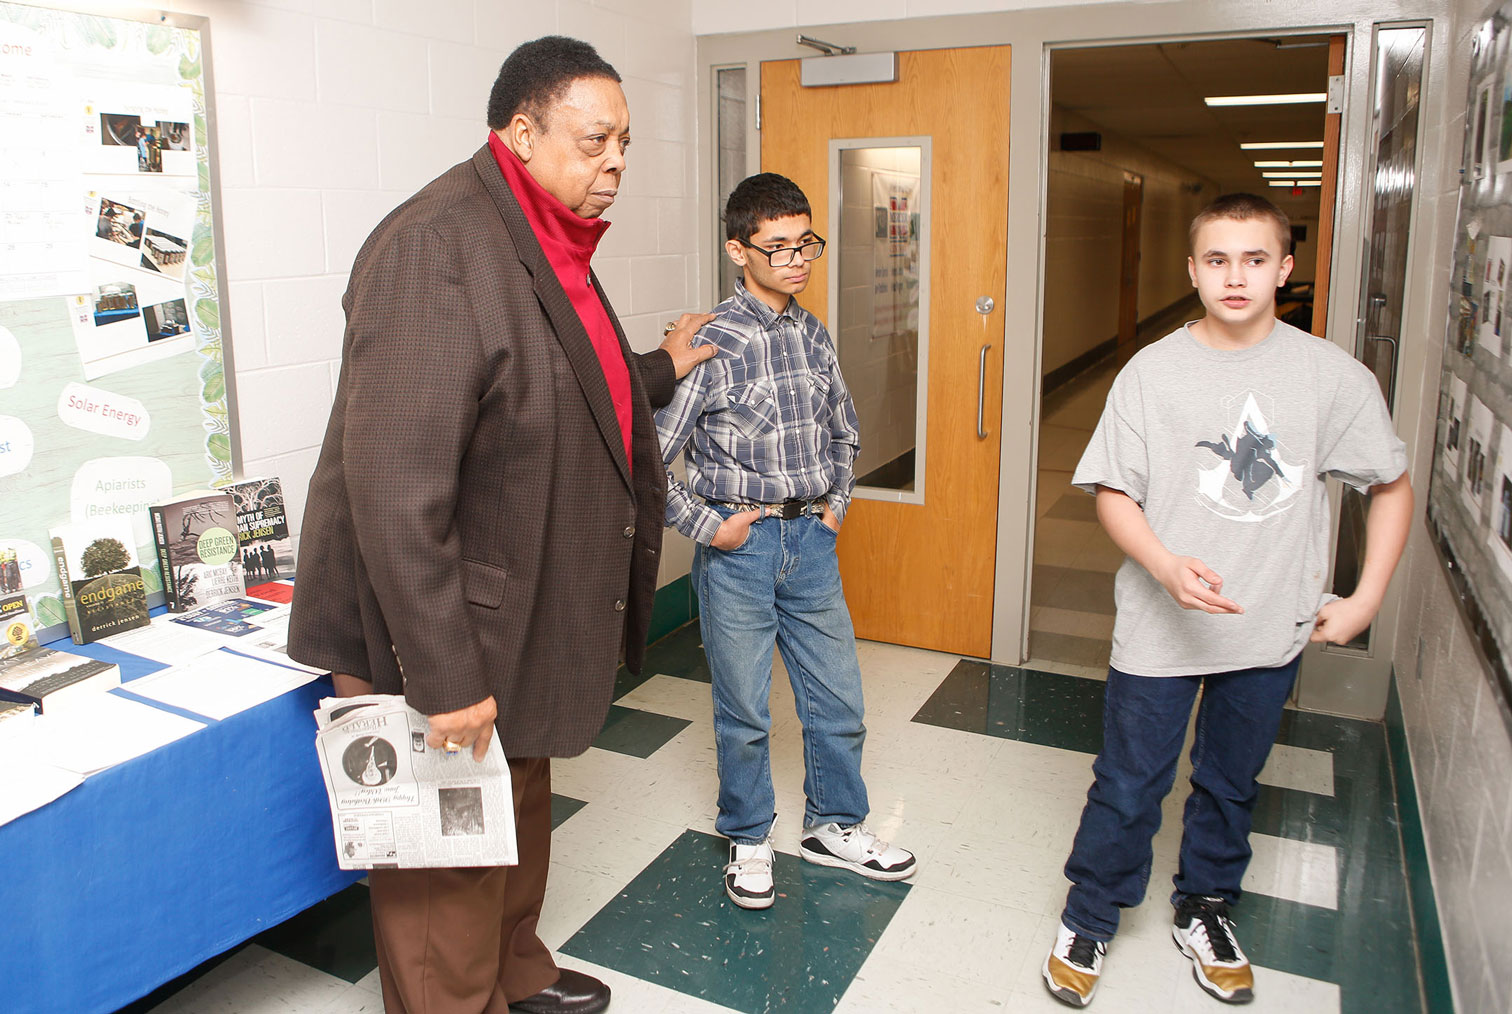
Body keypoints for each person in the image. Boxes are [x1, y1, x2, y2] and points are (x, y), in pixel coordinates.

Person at [287, 36, 714, 1014]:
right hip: (431, 626)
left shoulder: (546, 234)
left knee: (517, 807)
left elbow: (565, 385)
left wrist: (661, 366)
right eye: (593, 139)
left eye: (625, 143)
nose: (614, 161)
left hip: (512, 607)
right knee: (446, 862)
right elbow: (395, 489)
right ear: (521, 133)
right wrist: (443, 680)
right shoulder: (439, 247)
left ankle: (515, 976)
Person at [1041, 193, 1413, 1008]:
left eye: (1254, 259)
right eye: (1217, 260)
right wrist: (1165, 566)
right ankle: (1090, 913)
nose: (1234, 276)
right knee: (1131, 783)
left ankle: (1205, 907)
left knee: (1231, 781)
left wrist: (1363, 599)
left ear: (1285, 267)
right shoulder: (1153, 371)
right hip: (1159, 628)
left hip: (1269, 629)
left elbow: (1390, 485)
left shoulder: (1329, 376)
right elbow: (1112, 493)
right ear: (1193, 270)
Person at [654, 173, 915, 911]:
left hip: (812, 543)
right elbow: (646, 460)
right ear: (739, 251)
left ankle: (835, 824)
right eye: (779, 247)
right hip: (742, 547)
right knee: (744, 710)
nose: (798, 260)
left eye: (807, 244)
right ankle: (748, 834)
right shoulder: (709, 343)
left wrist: (835, 501)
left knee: (838, 698)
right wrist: (712, 527)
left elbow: (844, 426)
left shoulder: (811, 331)